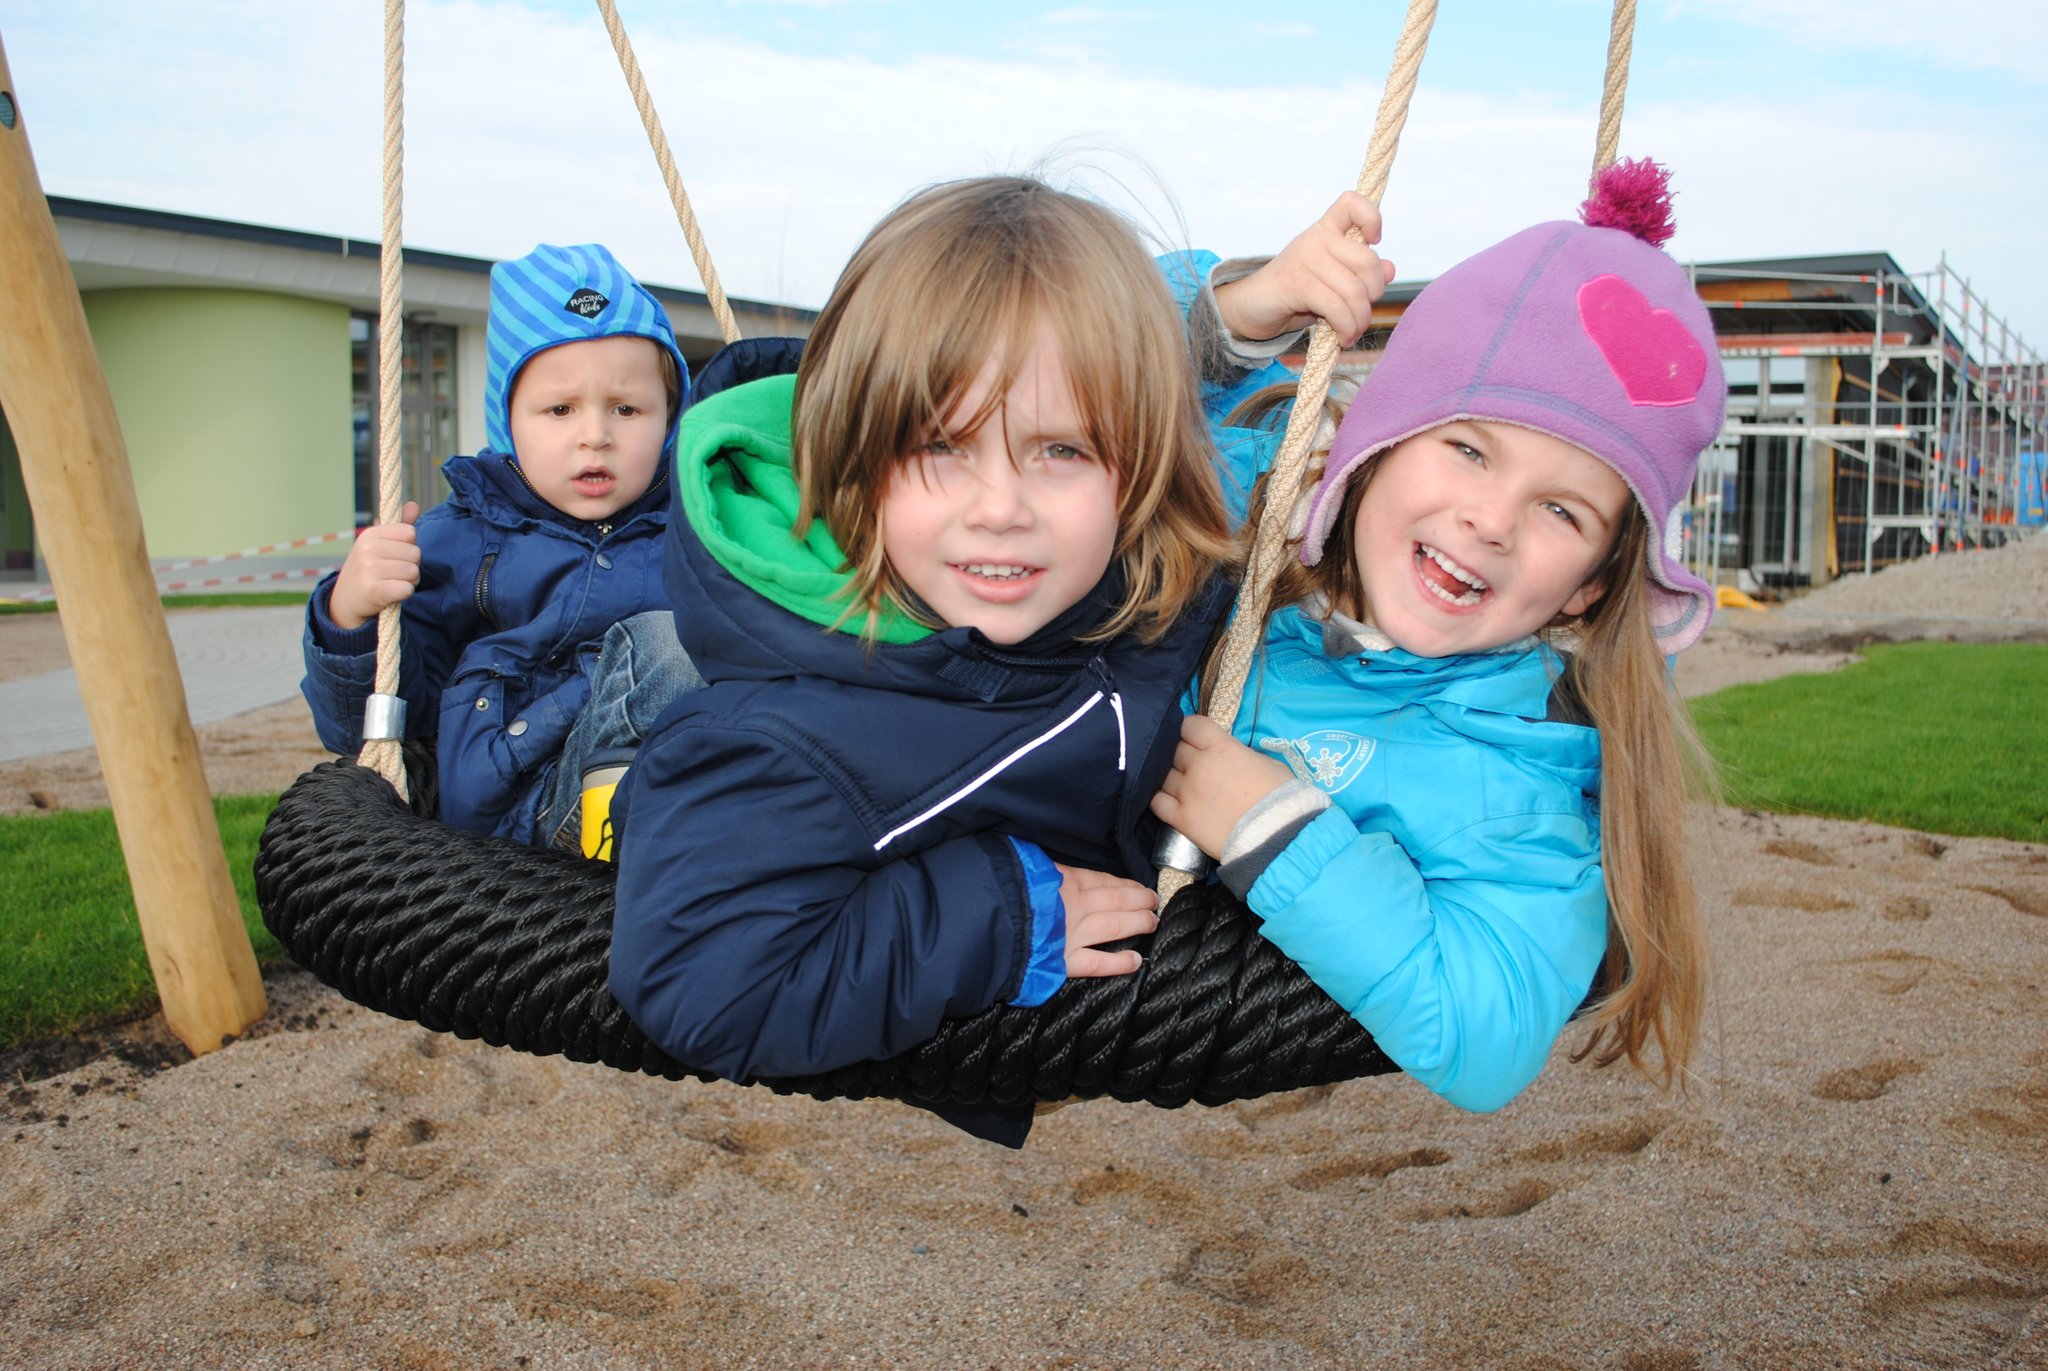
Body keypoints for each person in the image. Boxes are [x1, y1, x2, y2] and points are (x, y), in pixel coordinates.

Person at [607, 177, 1238, 1139]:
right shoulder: (785, 741)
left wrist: (1250, 311)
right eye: (943, 446)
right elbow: (704, 984)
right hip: (620, 776)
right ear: (858, 457)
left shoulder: (1110, 584)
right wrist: (997, 915)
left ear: (1140, 466)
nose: (1001, 505)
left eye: (1061, 449)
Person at [1151, 161, 1721, 1113]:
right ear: (1377, 444)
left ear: (1587, 589)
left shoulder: (1510, 777)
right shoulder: (1251, 493)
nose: (1490, 520)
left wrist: (1274, 829)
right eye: (1466, 448)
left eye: (1562, 511)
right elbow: (1037, 374)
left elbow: (1486, 1034)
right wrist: (1238, 314)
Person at [301, 242, 698, 850]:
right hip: (530, 798)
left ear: (669, 420)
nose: (595, 436)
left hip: (695, 773)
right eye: (560, 409)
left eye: (626, 408)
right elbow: (362, 725)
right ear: (507, 420)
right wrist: (349, 616)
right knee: (672, 638)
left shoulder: (695, 526)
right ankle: (632, 836)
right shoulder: (463, 539)